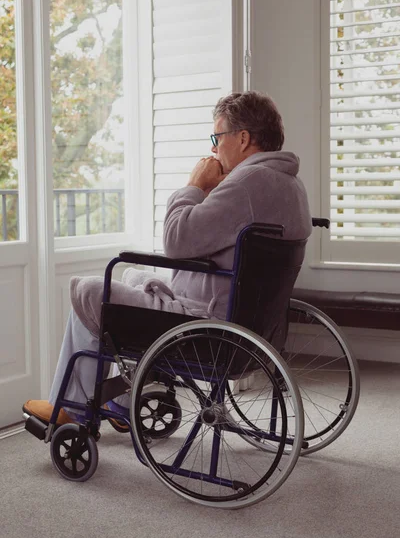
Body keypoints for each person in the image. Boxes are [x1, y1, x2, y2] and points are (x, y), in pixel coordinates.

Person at [23, 91, 312, 425]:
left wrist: (195, 185)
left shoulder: (246, 183)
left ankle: (72, 408)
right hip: (252, 328)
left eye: (217, 137)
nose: (214, 148)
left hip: (204, 327)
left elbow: (176, 240)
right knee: (133, 275)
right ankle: (121, 399)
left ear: (243, 138)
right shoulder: (290, 185)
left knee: (89, 291)